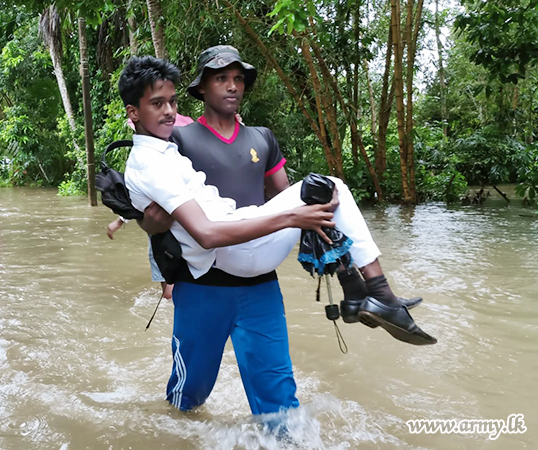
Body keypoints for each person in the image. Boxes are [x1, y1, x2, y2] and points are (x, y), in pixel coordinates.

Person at [134, 47, 435, 415]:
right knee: (187, 398)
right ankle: (371, 292)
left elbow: (296, 202)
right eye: (221, 78)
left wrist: (333, 258)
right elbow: (156, 217)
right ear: (202, 88)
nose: (232, 86)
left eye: (238, 78)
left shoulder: (262, 138)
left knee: (279, 404)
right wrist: (163, 273)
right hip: (202, 282)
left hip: (258, 277)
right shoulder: (175, 141)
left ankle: (366, 291)